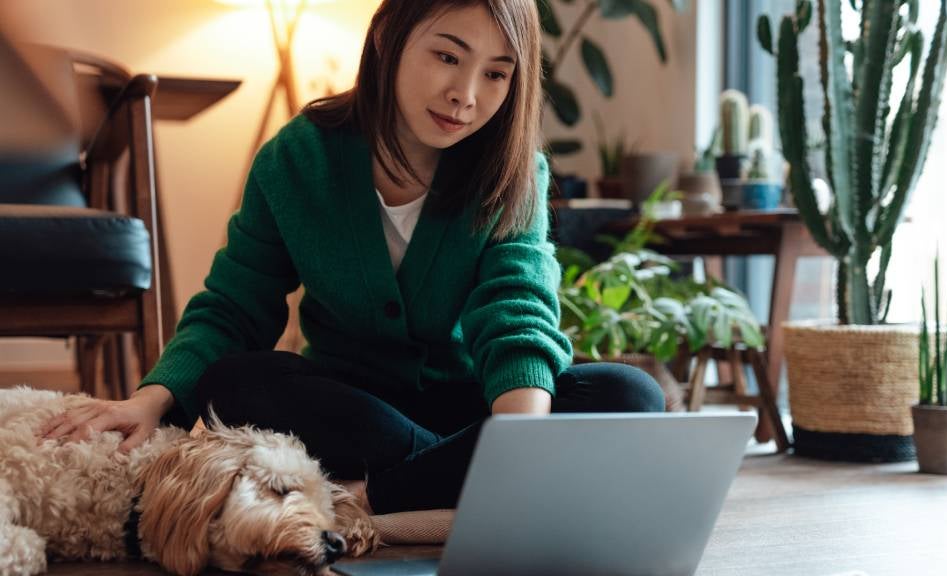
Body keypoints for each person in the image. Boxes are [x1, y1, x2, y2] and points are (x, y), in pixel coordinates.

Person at [39, 0, 664, 515]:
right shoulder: (296, 160)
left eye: (496, 73)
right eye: (447, 55)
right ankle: (466, 475)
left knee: (630, 394)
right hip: (354, 410)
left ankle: (397, 491)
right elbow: (234, 307)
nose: (465, 95)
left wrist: (518, 438)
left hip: (478, 404)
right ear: (389, 37)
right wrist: (149, 399)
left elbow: (517, 311)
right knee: (233, 382)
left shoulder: (515, 173)